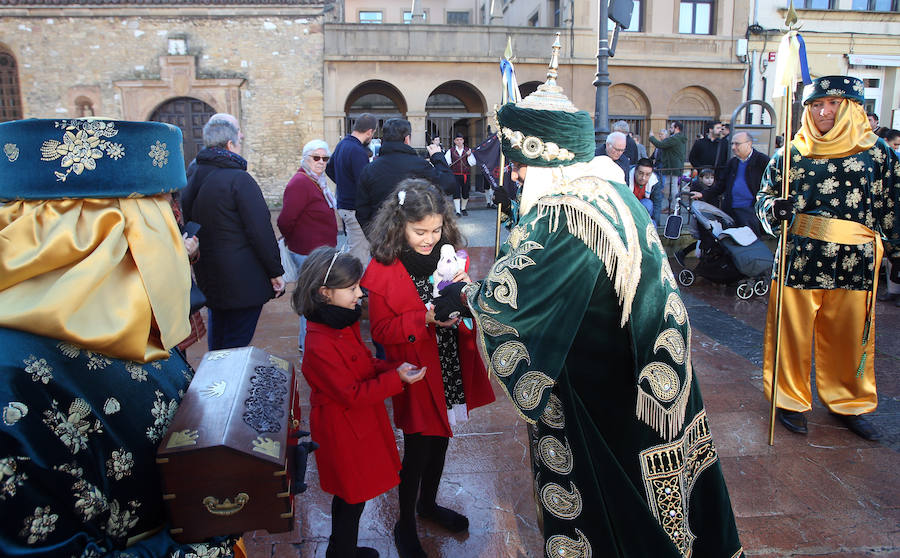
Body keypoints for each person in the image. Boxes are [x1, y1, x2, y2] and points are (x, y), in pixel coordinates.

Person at [433, 59, 744, 557]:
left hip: (602, 394)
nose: (514, 176)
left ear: (543, 159)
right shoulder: (610, 192)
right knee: (664, 497)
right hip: (651, 381)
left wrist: (464, 295)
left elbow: (514, 309)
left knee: (615, 511)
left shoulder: (560, 214)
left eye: (517, 165)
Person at [0, 118, 238, 556]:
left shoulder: (129, 318)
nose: (176, 229)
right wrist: (215, 529)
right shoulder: (8, 375)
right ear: (98, 231)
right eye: (165, 208)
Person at [756, 75, 900, 441]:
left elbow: (893, 205)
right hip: (799, 257)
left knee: (851, 337)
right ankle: (789, 399)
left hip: (856, 260)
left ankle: (848, 402)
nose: (823, 112)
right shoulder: (791, 153)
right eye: (816, 105)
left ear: (851, 107)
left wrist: (897, 249)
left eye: (832, 104)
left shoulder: (877, 152)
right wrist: (775, 210)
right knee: (791, 333)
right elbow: (764, 198)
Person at [360, 180, 495, 558]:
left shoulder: (448, 255)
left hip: (450, 360)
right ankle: (405, 521)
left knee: (441, 438)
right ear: (398, 225)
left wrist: (466, 291)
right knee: (418, 446)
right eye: (420, 232)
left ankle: (428, 504)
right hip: (416, 369)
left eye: (436, 230)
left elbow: (461, 297)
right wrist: (426, 318)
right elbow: (383, 331)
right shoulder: (384, 267)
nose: (429, 239)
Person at [294, 246, 425, 558]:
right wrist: (397, 380)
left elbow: (364, 363)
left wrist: (394, 367)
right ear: (325, 293)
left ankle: (342, 549)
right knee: (351, 496)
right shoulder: (319, 342)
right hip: (343, 430)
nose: (360, 295)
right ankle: (341, 552)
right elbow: (351, 393)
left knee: (353, 495)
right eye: (352, 288)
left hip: (359, 423)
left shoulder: (341, 320)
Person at [181, 115, 285, 351]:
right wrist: (275, 271)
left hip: (209, 273)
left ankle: (214, 384)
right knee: (236, 345)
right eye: (238, 140)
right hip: (242, 278)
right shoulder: (238, 179)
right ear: (230, 145)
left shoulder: (191, 176)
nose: (241, 143)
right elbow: (260, 230)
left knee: (219, 341)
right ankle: (225, 386)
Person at [277, 139, 338, 353]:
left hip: (317, 253)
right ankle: (308, 346)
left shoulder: (317, 181)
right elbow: (284, 221)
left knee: (316, 298)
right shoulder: (300, 184)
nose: (321, 162)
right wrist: (297, 241)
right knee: (312, 301)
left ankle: (313, 343)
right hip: (308, 254)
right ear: (306, 159)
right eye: (316, 158)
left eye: (325, 158)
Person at [355, 118, 455, 231]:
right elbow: (449, 184)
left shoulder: (369, 169)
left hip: (383, 236)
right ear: (407, 139)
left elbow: (362, 210)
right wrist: (438, 156)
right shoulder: (419, 165)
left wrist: (373, 236)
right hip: (416, 234)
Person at [693, 132, 769, 238]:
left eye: (737, 144)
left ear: (749, 144)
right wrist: (703, 194)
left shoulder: (762, 161)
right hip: (730, 211)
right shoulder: (733, 162)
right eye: (732, 144)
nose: (733, 147)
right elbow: (721, 185)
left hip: (750, 213)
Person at [326, 113, 376, 265]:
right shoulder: (357, 151)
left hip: (344, 204)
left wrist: (343, 183)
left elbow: (329, 169)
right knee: (358, 253)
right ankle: (354, 285)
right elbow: (364, 182)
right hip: (354, 208)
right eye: (372, 134)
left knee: (355, 247)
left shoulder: (343, 144)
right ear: (369, 132)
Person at [649, 121, 688, 212]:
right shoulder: (676, 138)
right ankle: (672, 206)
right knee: (670, 187)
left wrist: (651, 137)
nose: (670, 129)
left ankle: (674, 207)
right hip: (672, 166)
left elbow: (661, 144)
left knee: (673, 188)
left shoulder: (675, 138)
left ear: (677, 128)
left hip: (673, 166)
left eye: (671, 127)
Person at [445, 132, 476, 216]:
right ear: (454, 141)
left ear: (463, 140)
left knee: (465, 193)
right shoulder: (450, 151)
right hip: (455, 175)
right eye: (457, 140)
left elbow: (473, 163)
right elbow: (446, 162)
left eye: (461, 140)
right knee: (456, 192)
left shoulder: (468, 150)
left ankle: (463, 208)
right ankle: (458, 211)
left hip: (466, 175)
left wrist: (469, 156)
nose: (459, 141)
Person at [627, 157, 664, 225]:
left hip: (643, 209)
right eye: (640, 173)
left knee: (648, 204)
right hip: (627, 209)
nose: (643, 177)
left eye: (647, 174)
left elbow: (657, 203)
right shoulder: (626, 176)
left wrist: (655, 222)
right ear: (635, 170)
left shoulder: (655, 181)